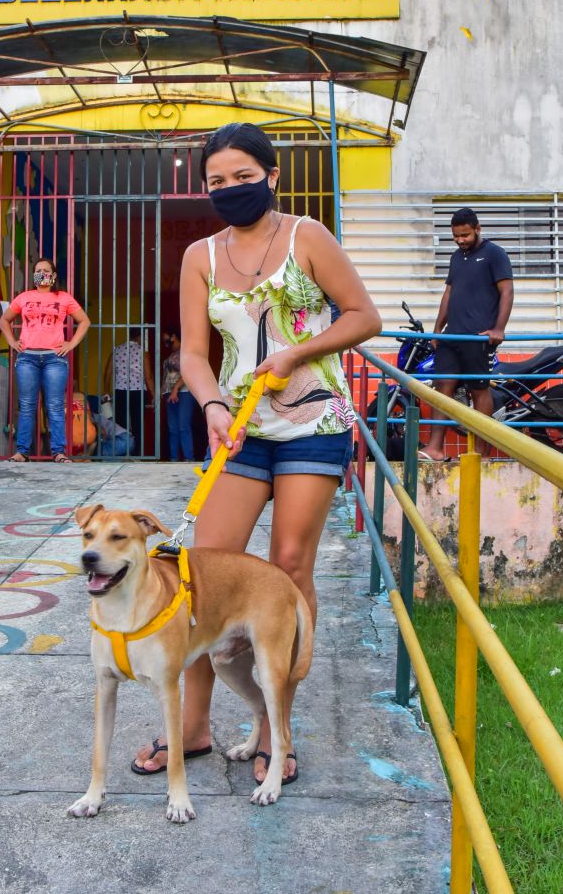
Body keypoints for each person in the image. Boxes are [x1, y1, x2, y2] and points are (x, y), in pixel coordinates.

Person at [131, 122, 381, 784]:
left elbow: (363, 315)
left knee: (288, 568)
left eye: (244, 177)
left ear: (272, 176)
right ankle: (191, 726)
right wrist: (212, 404)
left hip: (311, 424)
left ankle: (275, 727)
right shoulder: (200, 256)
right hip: (239, 430)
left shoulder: (308, 237)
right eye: (217, 181)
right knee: (200, 578)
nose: (230, 189)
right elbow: (191, 352)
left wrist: (297, 351)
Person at [418, 207, 513, 461]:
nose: (461, 240)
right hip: (452, 337)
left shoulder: (495, 254)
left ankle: (480, 452)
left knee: (478, 390)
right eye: (456, 236)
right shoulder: (456, 257)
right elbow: (448, 294)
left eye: (466, 235)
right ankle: (435, 448)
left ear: (477, 229)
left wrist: (499, 328)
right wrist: (438, 330)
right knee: (442, 388)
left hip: (478, 337)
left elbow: (507, 292)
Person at [0, 258, 90, 462]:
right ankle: (22, 452)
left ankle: (58, 452)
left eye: (46, 270)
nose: (42, 273)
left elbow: (84, 321)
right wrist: (12, 342)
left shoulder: (64, 298)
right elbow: (4, 320)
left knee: (55, 406)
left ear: (53, 276)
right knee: (27, 405)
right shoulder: (24, 297)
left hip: (54, 359)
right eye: (38, 270)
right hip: (27, 358)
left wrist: (70, 344)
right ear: (33, 275)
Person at [103, 327, 155, 456]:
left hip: (120, 391)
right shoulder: (142, 352)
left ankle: (122, 453)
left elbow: (108, 373)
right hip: (137, 392)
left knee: (121, 424)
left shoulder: (117, 350)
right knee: (138, 424)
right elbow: (148, 377)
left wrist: (106, 391)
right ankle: (138, 454)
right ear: (139, 337)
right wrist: (154, 395)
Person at [161, 327, 195, 462]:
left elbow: (188, 372)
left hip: (184, 393)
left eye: (167, 339)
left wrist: (176, 389)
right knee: (173, 428)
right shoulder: (172, 354)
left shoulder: (186, 352)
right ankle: (173, 459)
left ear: (174, 336)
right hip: (169, 394)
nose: (165, 343)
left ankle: (188, 458)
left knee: (183, 427)